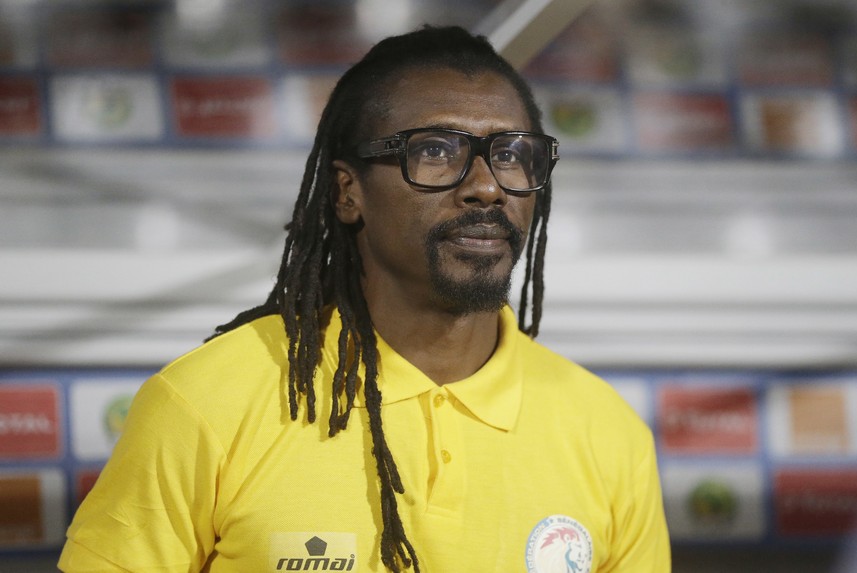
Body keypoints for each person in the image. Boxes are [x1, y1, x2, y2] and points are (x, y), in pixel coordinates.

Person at [59, 26, 670, 572]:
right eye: (435, 150)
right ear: (348, 192)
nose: (486, 186)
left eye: (511, 154)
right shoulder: (202, 405)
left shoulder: (609, 433)